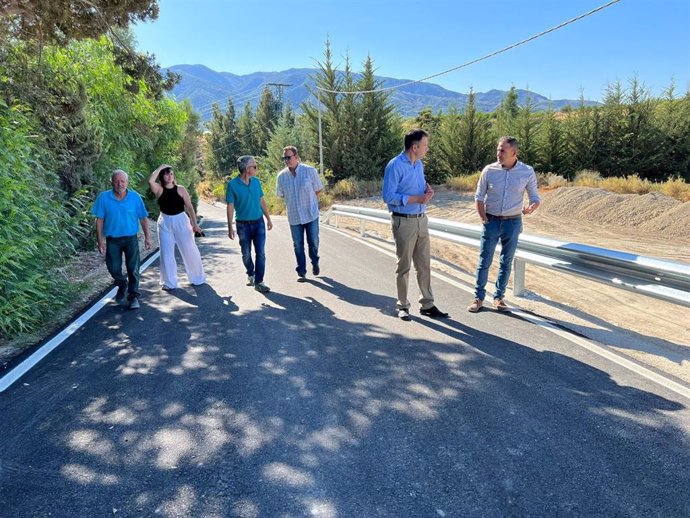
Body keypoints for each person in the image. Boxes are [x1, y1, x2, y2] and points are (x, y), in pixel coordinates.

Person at [467, 136, 540, 313]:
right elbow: (478, 196)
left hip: (513, 223)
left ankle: (499, 298)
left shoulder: (527, 171)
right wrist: (484, 218)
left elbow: (535, 198)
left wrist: (531, 207)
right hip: (491, 221)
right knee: (484, 261)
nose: (498, 153)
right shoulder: (489, 170)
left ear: (513, 153)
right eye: (498, 149)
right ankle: (478, 298)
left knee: (506, 262)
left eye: (502, 150)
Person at [382, 128, 449, 321]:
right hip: (403, 221)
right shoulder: (394, 166)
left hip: (421, 219)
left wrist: (427, 192)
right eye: (425, 146)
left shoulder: (418, 165)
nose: (427, 149)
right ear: (414, 147)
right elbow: (388, 196)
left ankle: (427, 304)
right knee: (403, 266)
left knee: (424, 265)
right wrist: (415, 198)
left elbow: (419, 190)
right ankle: (403, 306)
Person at [92, 170, 152, 309]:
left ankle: (133, 297)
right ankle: (122, 283)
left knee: (133, 269)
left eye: (123, 181)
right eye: (117, 181)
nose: (120, 184)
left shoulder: (135, 198)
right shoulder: (104, 198)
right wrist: (100, 241)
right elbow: (99, 220)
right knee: (112, 267)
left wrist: (148, 238)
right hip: (112, 239)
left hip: (131, 238)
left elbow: (143, 218)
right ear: (112, 182)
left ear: (127, 182)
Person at [148, 164, 206, 290]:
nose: (169, 176)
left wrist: (195, 224)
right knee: (166, 252)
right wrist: (161, 167)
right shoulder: (159, 189)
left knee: (189, 249)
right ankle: (169, 282)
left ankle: (197, 277)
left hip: (181, 220)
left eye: (171, 173)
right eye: (166, 173)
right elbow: (150, 180)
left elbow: (189, 207)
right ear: (162, 176)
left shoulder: (181, 189)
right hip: (164, 221)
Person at [276, 146, 323, 282]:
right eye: (284, 158)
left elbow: (318, 189)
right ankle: (301, 271)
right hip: (294, 216)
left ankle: (315, 261)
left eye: (289, 157)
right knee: (297, 244)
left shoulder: (310, 171)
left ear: (296, 157)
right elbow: (281, 195)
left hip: (310, 214)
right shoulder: (281, 176)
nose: (286, 160)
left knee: (313, 241)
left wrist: (309, 200)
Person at [226, 155, 273, 293]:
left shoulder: (257, 182)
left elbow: (261, 201)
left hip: (259, 223)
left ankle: (259, 281)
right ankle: (250, 273)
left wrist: (268, 218)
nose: (256, 168)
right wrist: (230, 227)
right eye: (255, 166)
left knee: (261, 253)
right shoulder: (232, 185)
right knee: (246, 254)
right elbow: (230, 206)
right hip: (243, 225)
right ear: (247, 169)